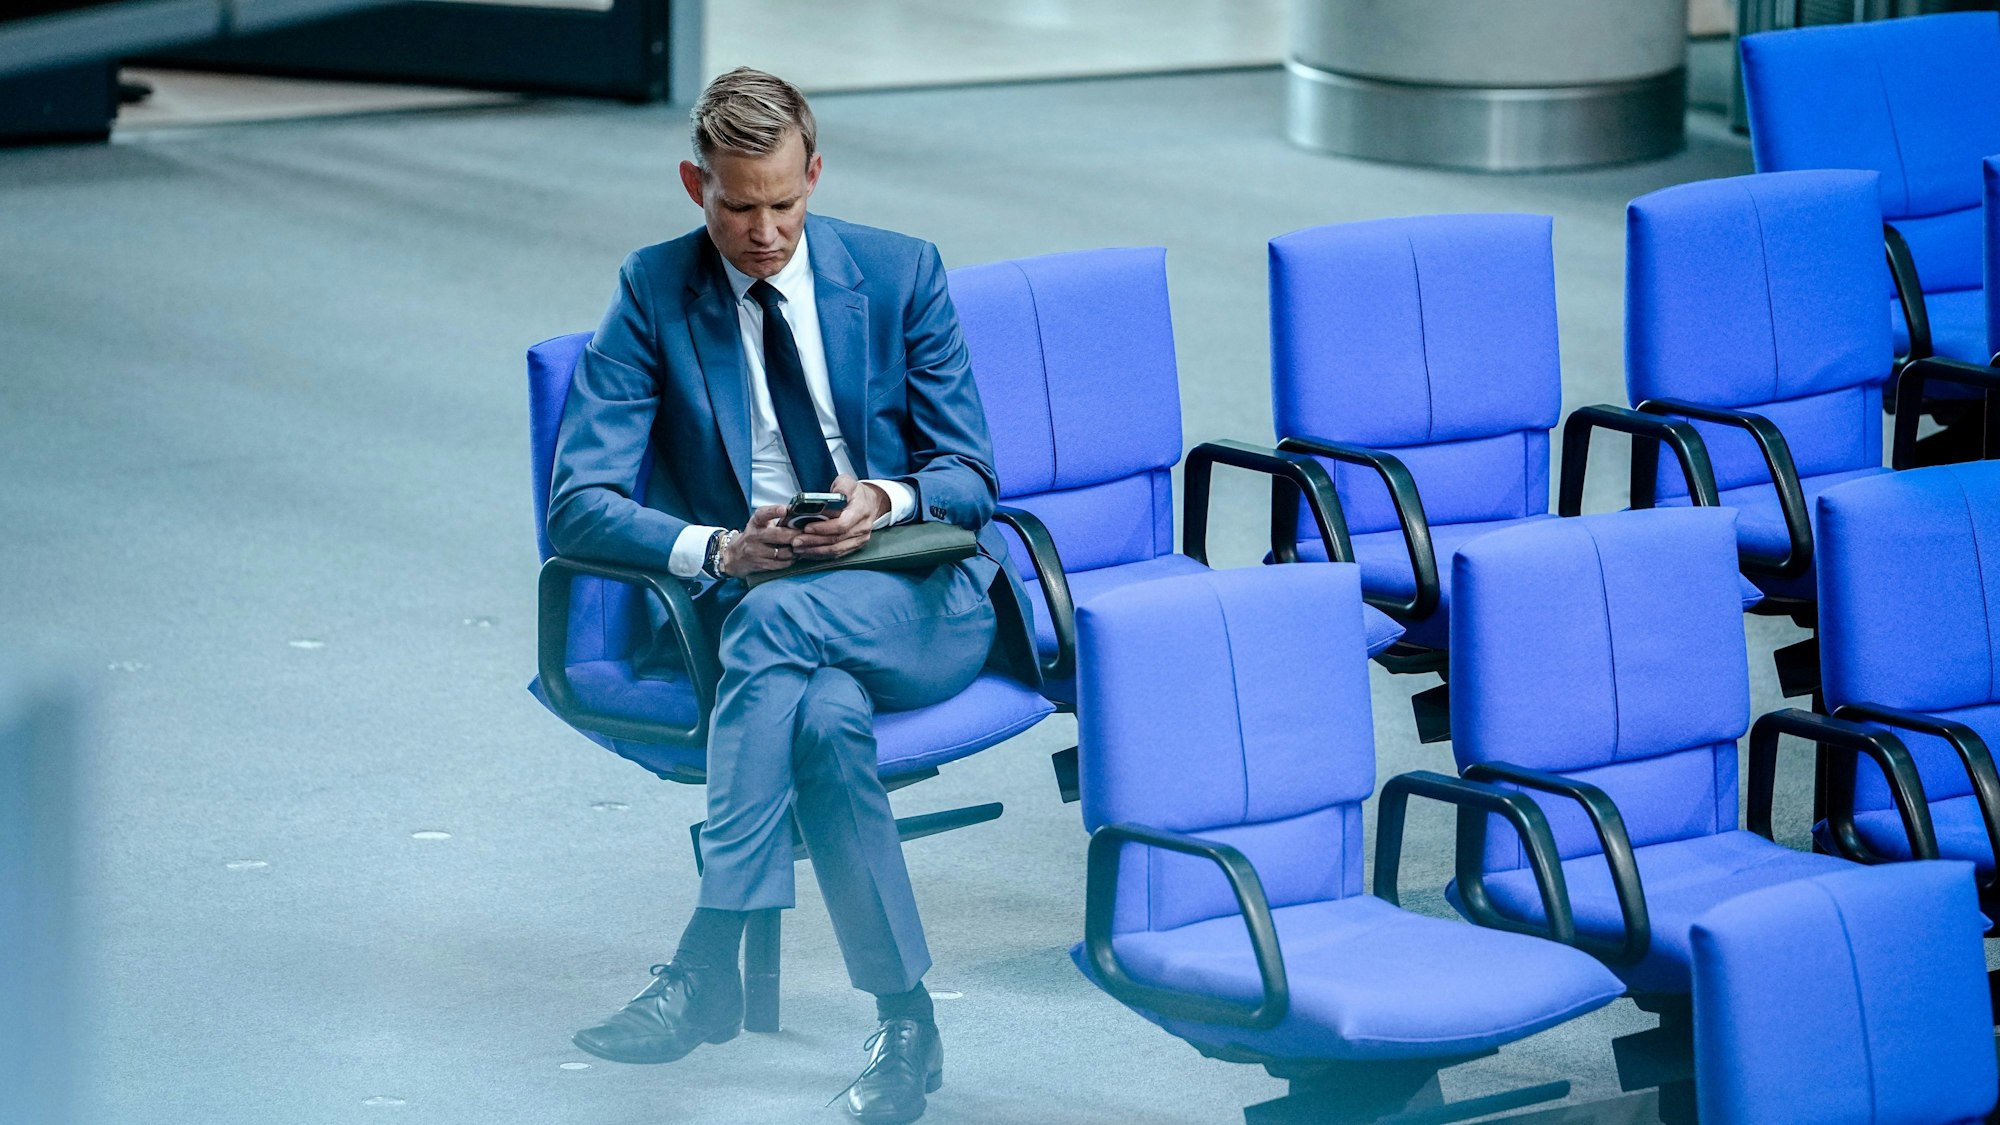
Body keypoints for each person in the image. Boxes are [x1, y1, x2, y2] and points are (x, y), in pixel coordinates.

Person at [545, 66, 1038, 1125]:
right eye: (736, 206)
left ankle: (707, 952)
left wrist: (881, 495)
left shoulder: (900, 273)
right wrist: (722, 547)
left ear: (813, 175)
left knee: (771, 628)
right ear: (694, 186)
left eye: (783, 203)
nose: (763, 232)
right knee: (820, 718)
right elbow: (575, 505)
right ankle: (909, 1024)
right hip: (764, 601)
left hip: (917, 596)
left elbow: (970, 476)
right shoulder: (652, 290)